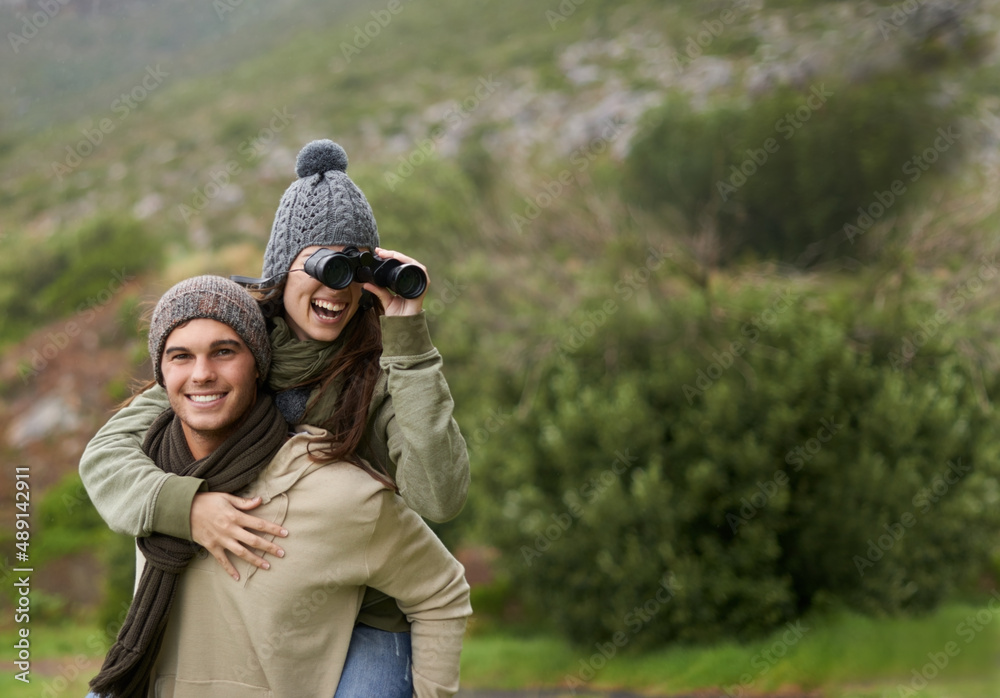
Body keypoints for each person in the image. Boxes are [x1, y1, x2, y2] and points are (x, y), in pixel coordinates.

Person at [79, 140, 471, 695]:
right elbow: (106, 454)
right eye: (324, 263)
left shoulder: (382, 375)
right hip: (267, 593)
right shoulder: (230, 350)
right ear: (281, 270)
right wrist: (189, 509)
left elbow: (440, 497)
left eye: (355, 266)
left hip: (367, 607)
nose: (340, 288)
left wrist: (406, 330)